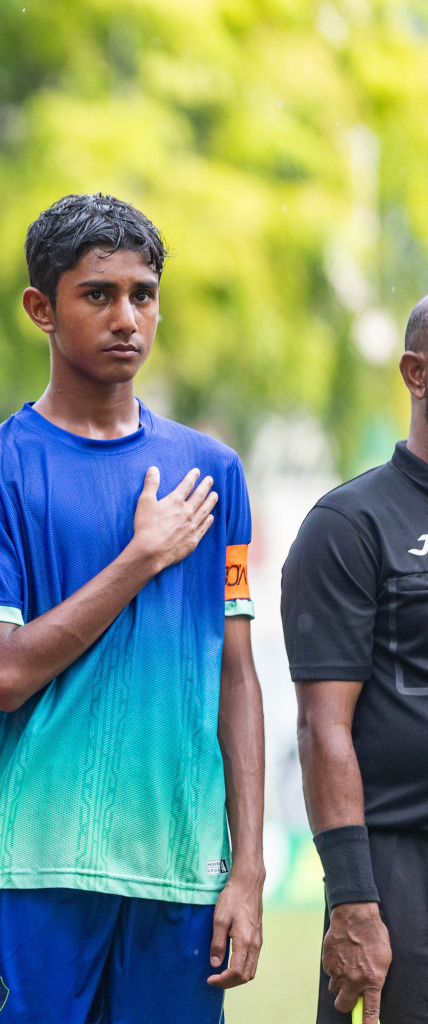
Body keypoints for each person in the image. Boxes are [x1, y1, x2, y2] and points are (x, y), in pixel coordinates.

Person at [0, 193, 265, 1023]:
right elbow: (4, 672)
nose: (128, 317)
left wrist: (248, 868)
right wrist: (141, 557)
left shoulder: (212, 473)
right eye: (98, 294)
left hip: (179, 871)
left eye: (143, 295)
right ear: (40, 309)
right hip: (36, 868)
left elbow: (236, 674)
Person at [282, 296, 428, 1023]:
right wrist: (354, 903)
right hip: (401, 872)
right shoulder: (351, 525)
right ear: (417, 373)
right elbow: (321, 729)